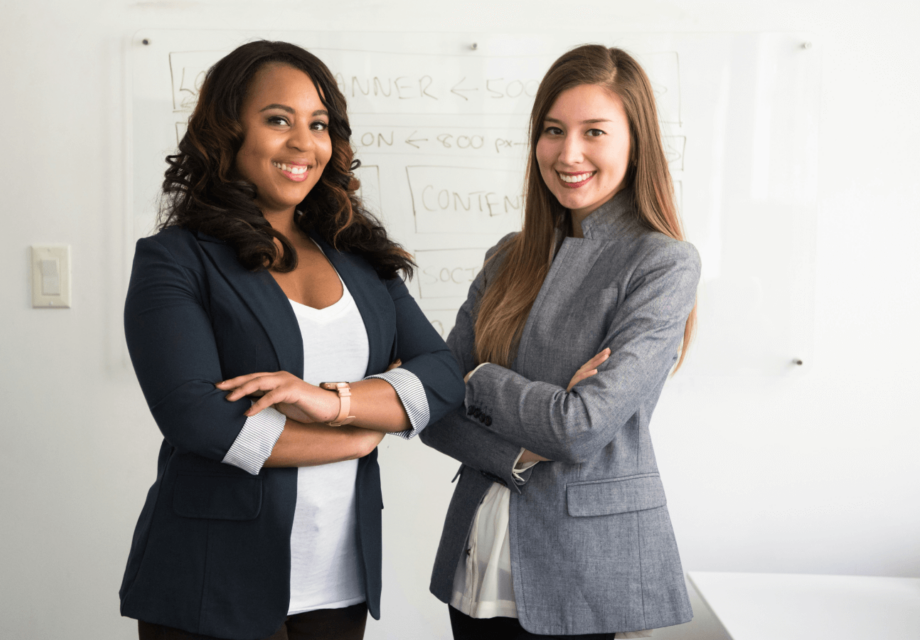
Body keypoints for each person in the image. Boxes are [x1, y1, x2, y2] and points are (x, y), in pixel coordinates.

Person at [118, 40, 464, 640]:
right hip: (212, 580)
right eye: (278, 119)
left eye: (319, 124)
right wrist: (356, 439)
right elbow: (198, 418)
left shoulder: (359, 257)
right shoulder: (176, 260)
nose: (304, 142)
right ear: (228, 132)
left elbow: (442, 374)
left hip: (338, 580)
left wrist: (334, 404)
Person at [419, 44, 701, 639]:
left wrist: (480, 379)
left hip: (582, 565)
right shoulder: (508, 255)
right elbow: (432, 407)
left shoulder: (662, 264)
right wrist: (517, 451)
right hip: (477, 551)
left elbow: (580, 427)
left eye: (594, 131)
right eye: (553, 130)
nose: (568, 153)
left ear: (635, 141)